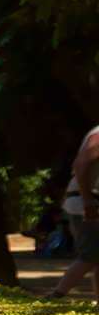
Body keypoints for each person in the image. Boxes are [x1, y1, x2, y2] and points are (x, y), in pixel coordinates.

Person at [49, 125, 99, 298]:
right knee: (90, 255)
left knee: (95, 256)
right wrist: (88, 201)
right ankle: (56, 295)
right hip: (87, 202)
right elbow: (81, 164)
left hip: (87, 200)